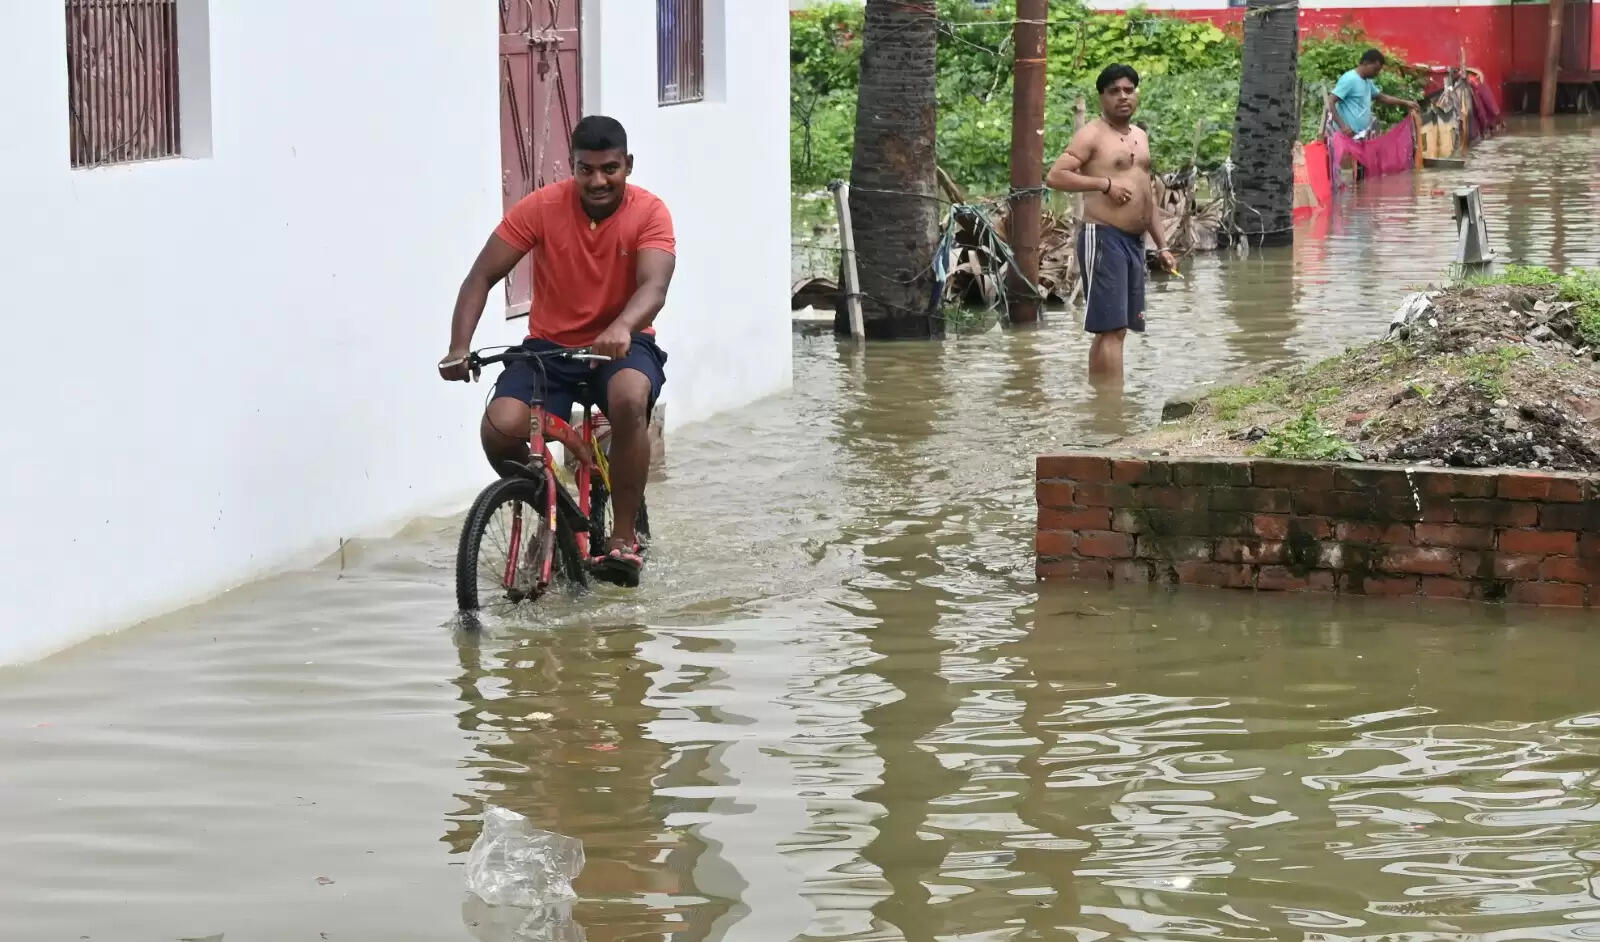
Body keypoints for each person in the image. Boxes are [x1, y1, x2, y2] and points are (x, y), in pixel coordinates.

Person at [438, 115, 675, 586]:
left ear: (628, 165)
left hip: (622, 345)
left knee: (630, 399)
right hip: (550, 350)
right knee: (499, 428)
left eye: (609, 169)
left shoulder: (650, 212)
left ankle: (623, 537)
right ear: (572, 166)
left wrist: (622, 326)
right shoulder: (542, 207)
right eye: (586, 169)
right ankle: (554, 511)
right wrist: (458, 347)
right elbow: (480, 276)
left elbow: (655, 286)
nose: (598, 180)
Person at [1044, 64, 1176, 384]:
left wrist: (1162, 246)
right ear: (1102, 97)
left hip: (1134, 241)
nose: (1123, 97)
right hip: (1103, 236)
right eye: (1114, 91)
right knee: (1111, 329)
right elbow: (1055, 176)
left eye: (1129, 90)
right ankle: (1112, 404)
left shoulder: (1140, 136)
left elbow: (1146, 195)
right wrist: (1104, 184)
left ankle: (1102, 400)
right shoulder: (1091, 134)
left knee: (1117, 330)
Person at [1326, 49, 1420, 140]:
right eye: (1375, 69)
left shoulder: (1367, 81)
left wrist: (1406, 102)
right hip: (1345, 137)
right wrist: (1342, 126)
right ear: (1365, 63)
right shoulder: (1350, 79)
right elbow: (1330, 101)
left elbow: (1382, 97)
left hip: (1359, 136)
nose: (1376, 73)